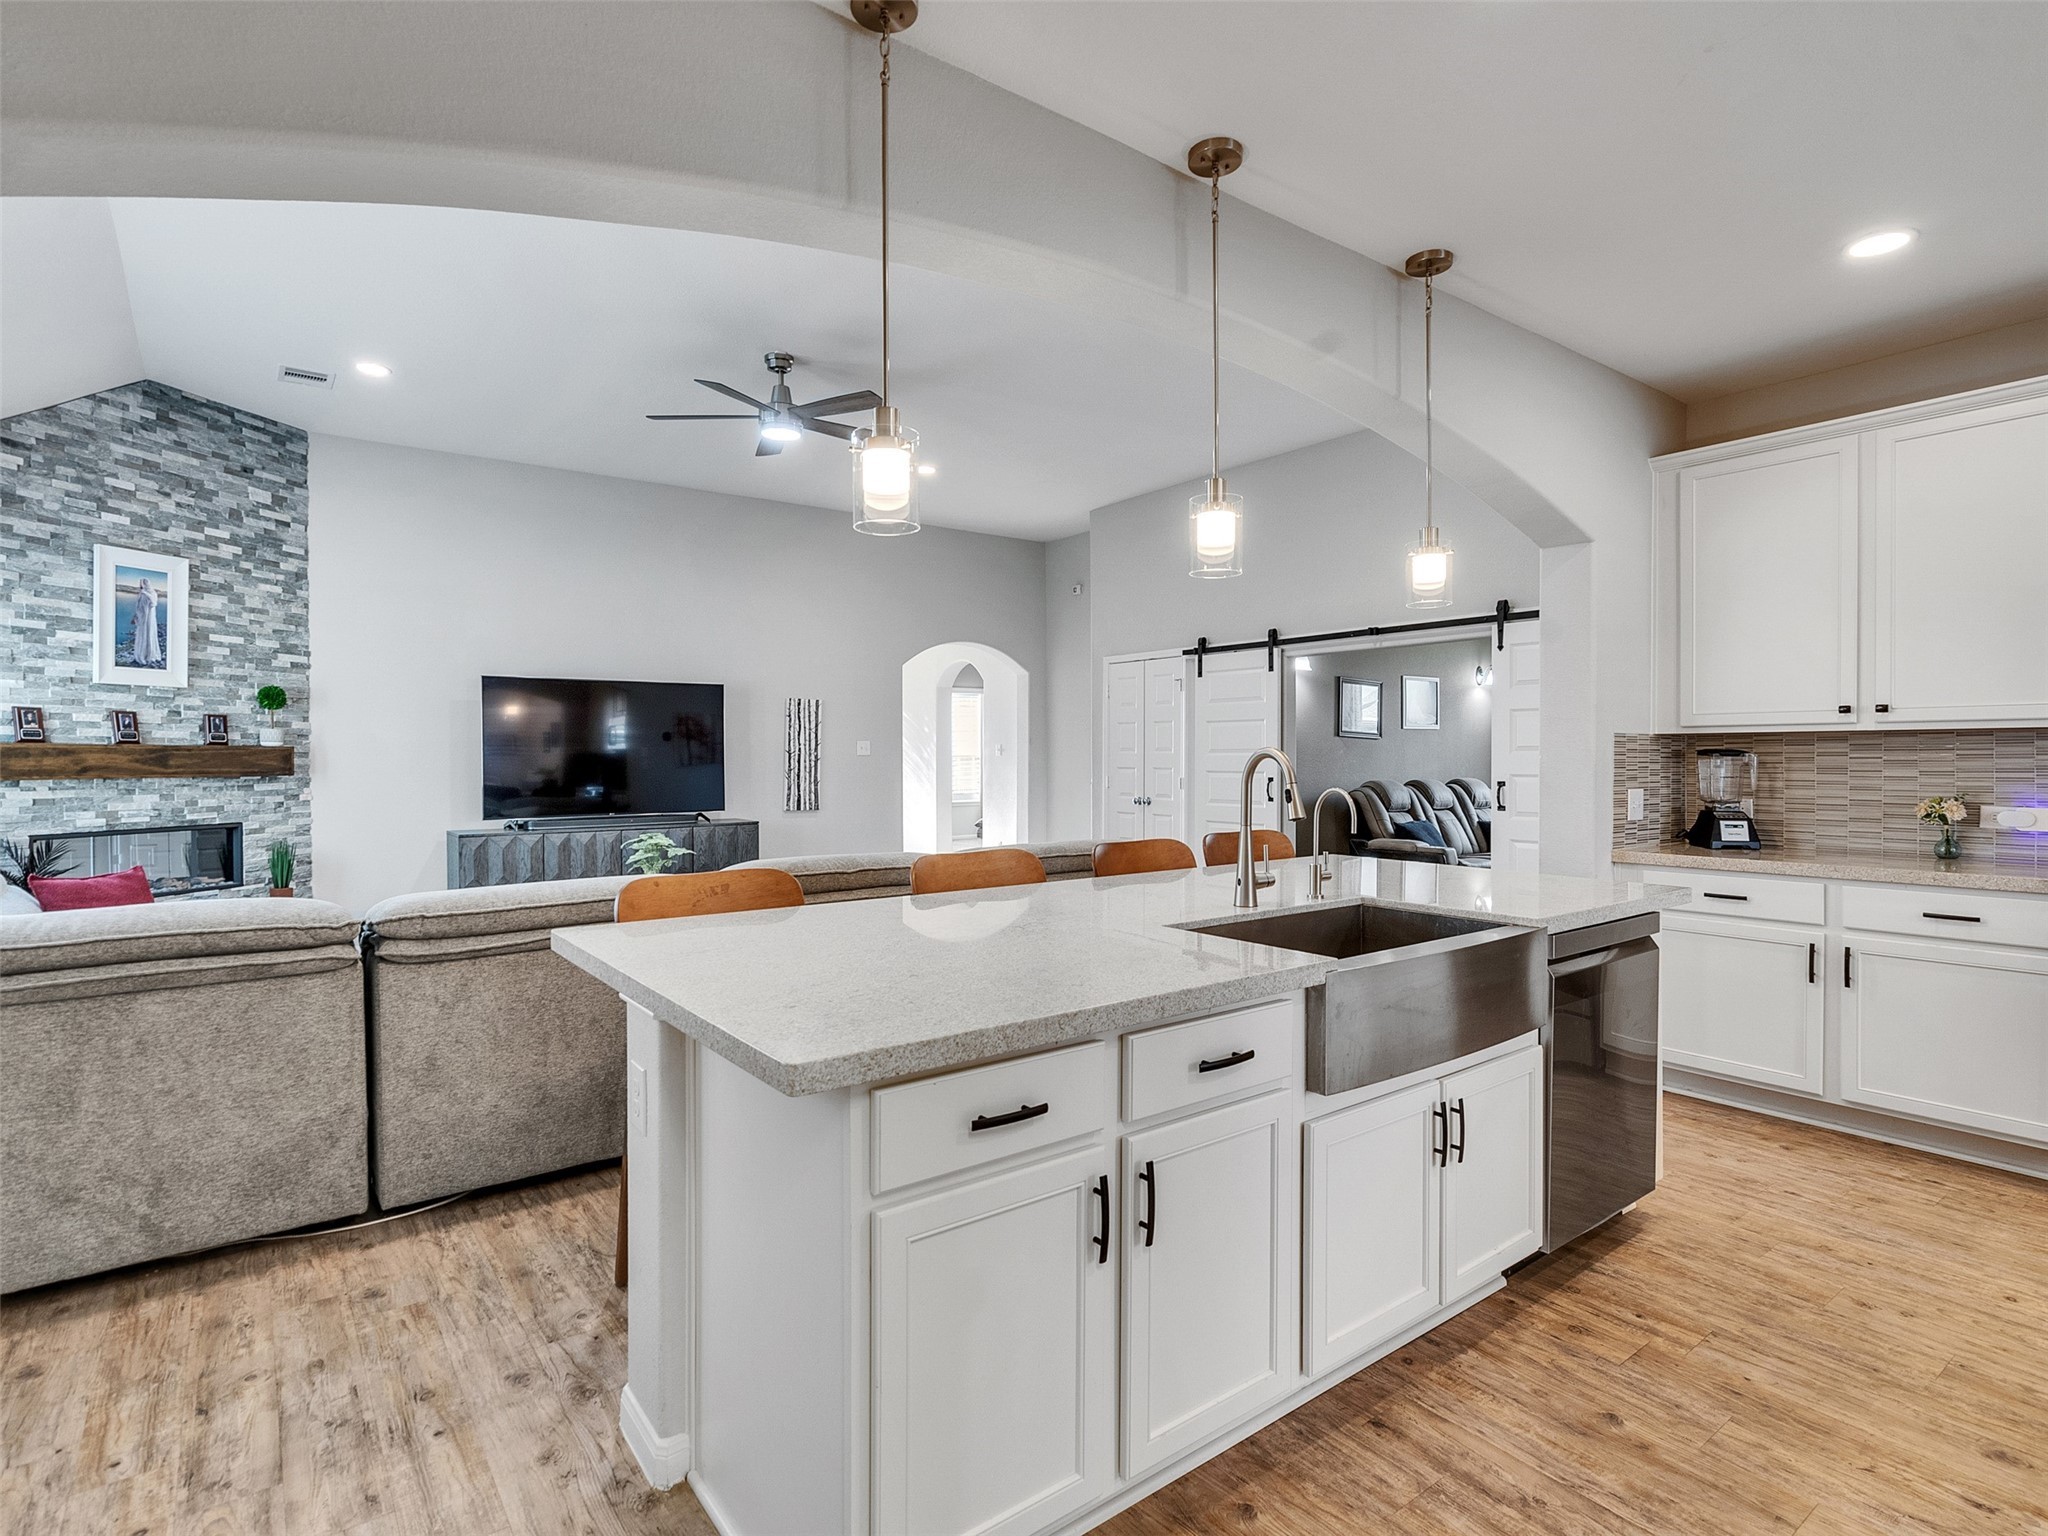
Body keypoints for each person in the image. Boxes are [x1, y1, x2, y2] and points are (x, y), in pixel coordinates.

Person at [133, 577, 162, 667]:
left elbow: (148, 605)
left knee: (146, 634)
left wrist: (136, 617)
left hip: (147, 619)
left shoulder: (147, 594)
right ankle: (146, 654)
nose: (140, 586)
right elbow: (142, 606)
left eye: (141, 584)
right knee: (146, 635)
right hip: (147, 619)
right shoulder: (148, 593)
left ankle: (145, 655)